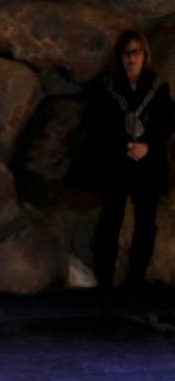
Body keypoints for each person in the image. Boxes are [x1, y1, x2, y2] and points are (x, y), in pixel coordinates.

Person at [87, 30, 173, 290]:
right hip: (117, 160)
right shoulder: (108, 87)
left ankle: (135, 279)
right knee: (111, 219)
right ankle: (104, 279)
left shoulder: (158, 87)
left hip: (148, 161)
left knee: (146, 221)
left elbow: (166, 122)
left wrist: (147, 146)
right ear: (120, 56)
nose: (131, 58)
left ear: (144, 55)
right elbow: (99, 123)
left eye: (136, 52)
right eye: (126, 53)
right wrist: (124, 145)